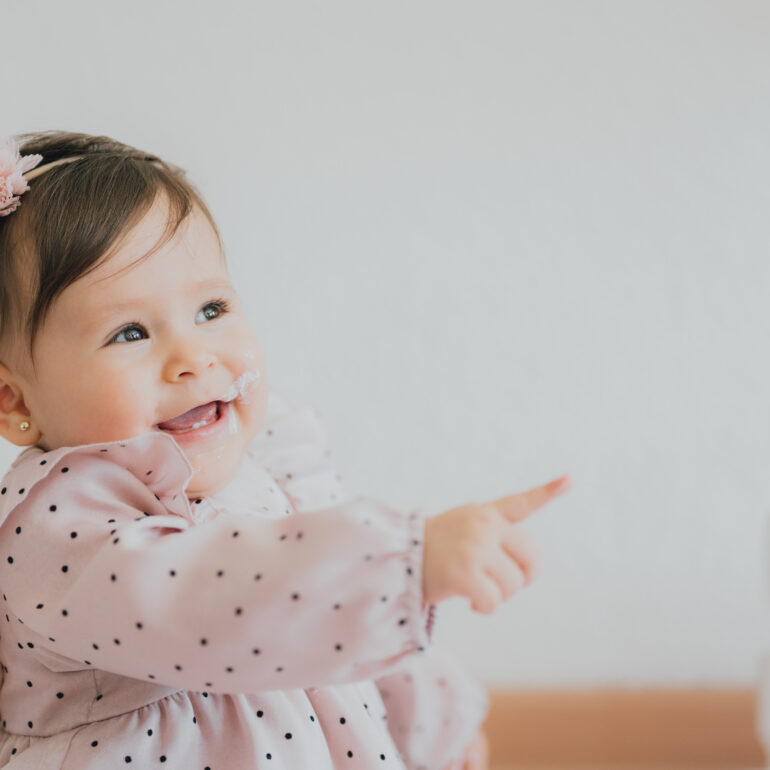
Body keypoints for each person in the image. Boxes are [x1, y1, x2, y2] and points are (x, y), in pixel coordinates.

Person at [0, 132, 570, 769]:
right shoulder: (59, 532)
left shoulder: (270, 464)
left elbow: (331, 635)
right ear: (15, 401)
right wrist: (405, 565)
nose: (193, 357)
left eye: (211, 308)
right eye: (129, 332)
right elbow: (219, 602)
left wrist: (434, 728)